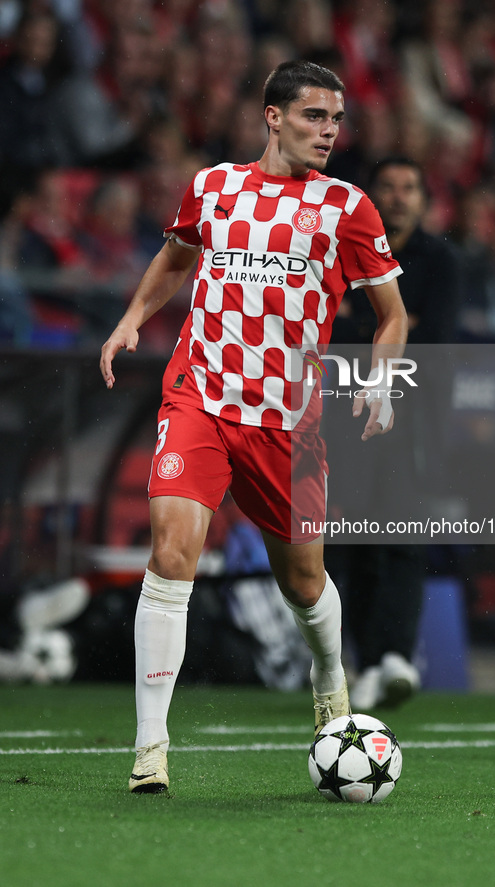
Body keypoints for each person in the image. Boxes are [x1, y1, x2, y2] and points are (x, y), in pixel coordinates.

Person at [99, 60, 407, 793]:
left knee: (302, 581)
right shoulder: (212, 187)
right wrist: (132, 318)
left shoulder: (347, 208)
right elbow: (176, 255)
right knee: (172, 552)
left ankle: (329, 672)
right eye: (313, 116)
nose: (328, 131)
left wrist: (383, 377)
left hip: (289, 423)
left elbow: (391, 315)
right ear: (272, 117)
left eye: (335, 119)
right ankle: (150, 746)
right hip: (198, 394)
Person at [329, 155, 460, 710]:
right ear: (371, 196)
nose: (400, 196)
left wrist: (376, 341)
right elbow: (335, 332)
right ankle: (365, 661)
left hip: (409, 422)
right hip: (345, 419)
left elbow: (438, 345)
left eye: (410, 187)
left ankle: (394, 657)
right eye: (389, 186)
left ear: (424, 201)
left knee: (402, 540)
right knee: (352, 545)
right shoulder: (345, 249)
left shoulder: (439, 259)